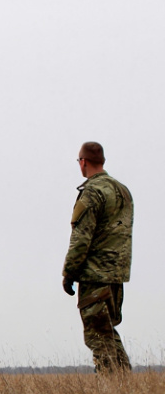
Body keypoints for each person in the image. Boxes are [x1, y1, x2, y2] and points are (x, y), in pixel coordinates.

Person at [62, 142, 133, 373]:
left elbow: (81, 238)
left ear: (83, 162)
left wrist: (69, 272)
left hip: (95, 275)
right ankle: (125, 387)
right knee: (108, 333)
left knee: (99, 339)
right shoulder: (123, 190)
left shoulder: (92, 192)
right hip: (117, 275)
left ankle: (111, 389)